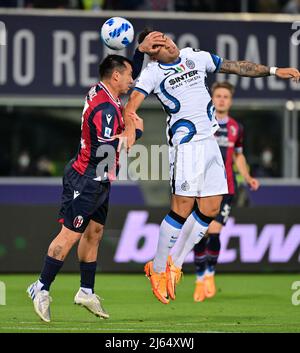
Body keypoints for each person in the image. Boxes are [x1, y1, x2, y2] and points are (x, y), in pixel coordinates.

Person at [122, 29, 300, 305]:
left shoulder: (196, 57)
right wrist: (131, 127)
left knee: (211, 209)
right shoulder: (153, 74)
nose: (166, 42)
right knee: (181, 208)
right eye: (156, 44)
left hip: (210, 145)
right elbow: (130, 105)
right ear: (151, 53)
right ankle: (156, 269)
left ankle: (176, 264)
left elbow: (238, 66)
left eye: (164, 37)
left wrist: (275, 70)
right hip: (187, 147)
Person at [26, 54, 143, 323]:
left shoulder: (102, 91)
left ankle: (86, 291)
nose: (132, 79)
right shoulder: (106, 109)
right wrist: (137, 132)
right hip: (87, 178)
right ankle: (40, 287)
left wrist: (139, 51)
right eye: (128, 75)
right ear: (115, 76)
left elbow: (126, 71)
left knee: (95, 232)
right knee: (69, 235)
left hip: (100, 178)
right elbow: (108, 150)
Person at [190, 81, 260, 302]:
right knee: (200, 234)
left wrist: (247, 177)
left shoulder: (235, 128)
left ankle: (209, 274)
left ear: (230, 100)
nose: (221, 99)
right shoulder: (202, 123)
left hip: (227, 186)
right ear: (212, 98)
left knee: (215, 231)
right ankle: (200, 278)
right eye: (218, 96)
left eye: (225, 97)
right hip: (200, 186)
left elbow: (238, 155)